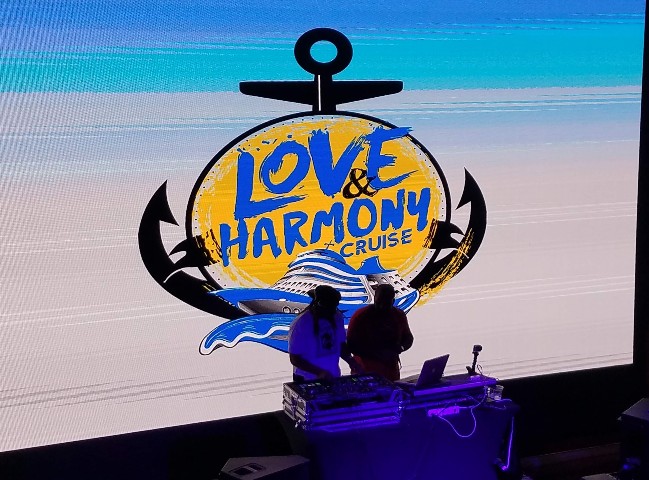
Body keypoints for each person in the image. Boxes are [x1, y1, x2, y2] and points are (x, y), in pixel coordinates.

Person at [288, 285, 359, 382]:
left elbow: (341, 345)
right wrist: (319, 372)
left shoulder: (337, 316)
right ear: (319, 304)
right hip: (306, 379)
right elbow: (295, 358)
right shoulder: (301, 323)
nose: (332, 311)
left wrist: (351, 361)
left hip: (332, 375)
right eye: (329, 308)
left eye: (334, 307)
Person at [346, 283, 414, 381]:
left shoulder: (399, 315)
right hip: (365, 373)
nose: (382, 306)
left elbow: (408, 338)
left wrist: (401, 348)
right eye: (379, 302)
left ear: (393, 301)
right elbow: (351, 345)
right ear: (374, 298)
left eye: (386, 304)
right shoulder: (361, 316)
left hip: (391, 372)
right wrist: (376, 353)